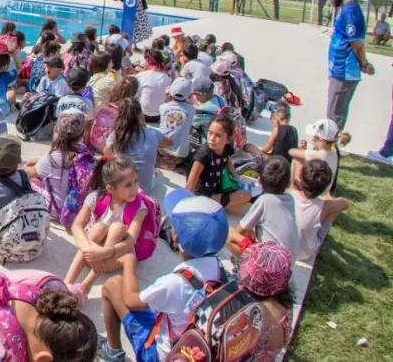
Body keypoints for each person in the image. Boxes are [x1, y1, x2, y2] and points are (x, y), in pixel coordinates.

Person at [97, 188, 229, 362]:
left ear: (175, 236)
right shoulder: (221, 270)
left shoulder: (175, 283)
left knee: (112, 285)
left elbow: (132, 301)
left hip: (161, 355)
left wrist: (130, 263)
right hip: (194, 347)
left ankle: (113, 353)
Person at [65, 155, 147, 297]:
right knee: (99, 227)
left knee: (118, 228)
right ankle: (66, 283)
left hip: (113, 256)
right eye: (128, 185)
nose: (134, 188)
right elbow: (76, 226)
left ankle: (85, 287)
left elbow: (130, 242)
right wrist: (88, 250)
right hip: (91, 253)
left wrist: (104, 253)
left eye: (136, 181)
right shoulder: (96, 197)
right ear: (110, 188)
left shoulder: (140, 208)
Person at [327, 0, 374, 130]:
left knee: (334, 118)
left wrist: (364, 64)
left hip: (344, 72)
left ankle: (330, 152)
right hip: (339, 71)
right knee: (334, 114)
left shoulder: (350, 12)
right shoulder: (348, 9)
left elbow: (357, 45)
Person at [226, 157, 298, 257]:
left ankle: (246, 266)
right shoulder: (290, 199)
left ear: (259, 180)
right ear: (289, 183)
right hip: (287, 262)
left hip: (269, 263)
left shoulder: (264, 200)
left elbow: (240, 230)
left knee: (229, 233)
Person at [186, 114, 252, 215]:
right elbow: (190, 185)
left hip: (214, 189)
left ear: (228, 139)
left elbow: (227, 161)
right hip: (202, 197)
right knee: (246, 196)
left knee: (246, 196)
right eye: (210, 133)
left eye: (218, 135)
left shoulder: (226, 149)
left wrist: (237, 177)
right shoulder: (203, 156)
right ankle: (216, 207)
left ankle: (220, 205)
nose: (211, 138)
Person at [104, 98, 170, 195]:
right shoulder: (153, 133)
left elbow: (106, 152)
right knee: (157, 175)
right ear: (140, 116)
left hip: (123, 190)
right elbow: (169, 143)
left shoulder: (117, 135)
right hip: (144, 192)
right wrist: (145, 126)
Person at [293, 160, 349, 262]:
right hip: (303, 254)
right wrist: (329, 198)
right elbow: (345, 204)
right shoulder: (326, 206)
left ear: (301, 177)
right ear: (325, 186)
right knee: (334, 209)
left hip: (284, 246)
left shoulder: (290, 194)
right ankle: (317, 240)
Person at [290, 118, 348, 195]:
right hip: (324, 191)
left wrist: (302, 150)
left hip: (313, 193)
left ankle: (296, 193)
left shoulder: (319, 155)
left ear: (320, 140)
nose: (312, 139)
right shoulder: (334, 153)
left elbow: (292, 152)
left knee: (297, 160)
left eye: (314, 138)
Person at [156, 78, 196, 164]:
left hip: (162, 149)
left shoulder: (163, 107)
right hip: (179, 154)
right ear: (189, 95)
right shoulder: (191, 110)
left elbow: (168, 103)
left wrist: (167, 97)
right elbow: (190, 104)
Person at [135, 50, 172, 123]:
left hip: (142, 114)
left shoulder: (141, 76)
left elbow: (135, 95)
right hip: (158, 115)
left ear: (148, 62)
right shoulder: (167, 79)